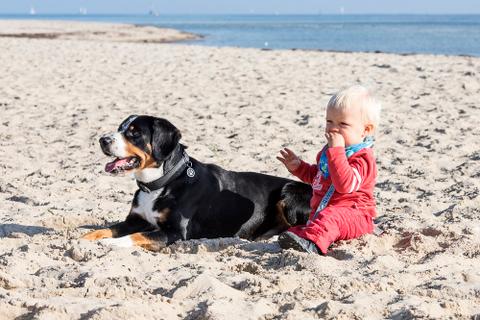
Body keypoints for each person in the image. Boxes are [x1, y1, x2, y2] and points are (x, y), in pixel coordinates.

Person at [277, 85, 381, 255]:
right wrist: (299, 167)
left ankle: (313, 245)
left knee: (330, 218)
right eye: (329, 121)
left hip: (355, 216)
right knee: (300, 229)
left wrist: (337, 151)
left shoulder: (362, 157)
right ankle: (304, 240)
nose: (333, 128)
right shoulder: (329, 152)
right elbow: (317, 178)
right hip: (326, 214)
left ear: (366, 130)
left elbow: (345, 185)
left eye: (343, 124)